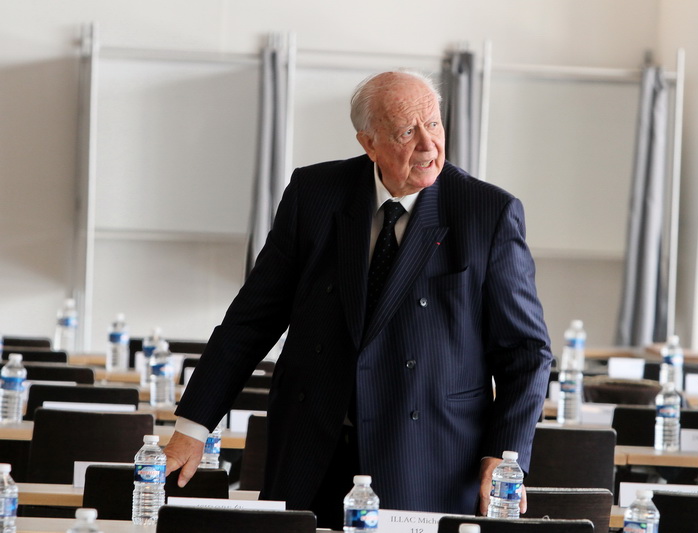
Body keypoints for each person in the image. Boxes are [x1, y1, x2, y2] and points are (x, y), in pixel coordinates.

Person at [164, 70, 553, 528]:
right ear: (368, 143)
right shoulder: (315, 195)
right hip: (312, 447)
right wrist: (193, 426)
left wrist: (503, 456)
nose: (429, 145)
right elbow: (252, 320)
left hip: (427, 455)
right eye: (407, 131)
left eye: (434, 124)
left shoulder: (486, 212)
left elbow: (526, 352)